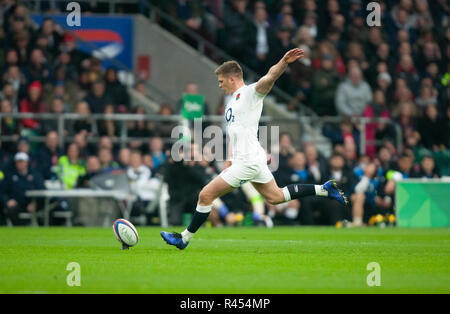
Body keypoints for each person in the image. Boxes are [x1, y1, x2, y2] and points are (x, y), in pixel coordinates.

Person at [161, 48, 348, 249]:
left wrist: (284, 62)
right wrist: (230, 157)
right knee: (275, 197)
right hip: (250, 158)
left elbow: (269, 78)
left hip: (248, 161)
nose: (219, 85)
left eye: (221, 81)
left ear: (232, 79)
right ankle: (324, 189)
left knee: (206, 195)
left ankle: (183, 238)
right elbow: (236, 133)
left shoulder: (250, 93)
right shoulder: (232, 103)